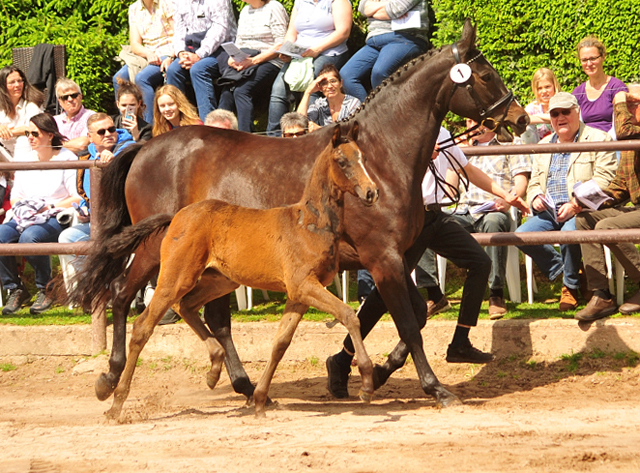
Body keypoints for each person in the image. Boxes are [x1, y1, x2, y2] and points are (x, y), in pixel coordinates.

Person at [326, 127, 530, 399]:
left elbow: (467, 169)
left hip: (435, 217)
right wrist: (422, 156)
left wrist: (505, 194)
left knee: (480, 262)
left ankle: (460, 342)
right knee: (386, 293)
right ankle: (343, 357)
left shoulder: (443, 133)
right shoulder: (404, 130)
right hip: (409, 222)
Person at [516, 92, 617, 311]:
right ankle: (568, 272)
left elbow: (605, 179)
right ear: (550, 118)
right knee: (518, 236)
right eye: (555, 114)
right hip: (549, 211)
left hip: (582, 209)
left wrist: (575, 204)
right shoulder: (543, 145)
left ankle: (569, 287)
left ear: (577, 112)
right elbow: (534, 182)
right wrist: (535, 197)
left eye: (565, 112)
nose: (560, 117)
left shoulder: (599, 138)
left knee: (570, 232)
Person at [443, 120, 531, 319]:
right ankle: (433, 292)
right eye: (468, 121)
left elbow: (521, 181)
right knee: (429, 222)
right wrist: (453, 156)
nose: (471, 124)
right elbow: (449, 190)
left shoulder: (510, 144)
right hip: (464, 210)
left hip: (494, 208)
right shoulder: (462, 148)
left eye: (475, 120)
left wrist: (509, 199)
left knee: (493, 222)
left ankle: (496, 293)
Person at [0, 113, 80, 315]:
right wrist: (29, 208)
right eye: (28, 133)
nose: (30, 137)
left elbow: (76, 197)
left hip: (56, 215)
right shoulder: (25, 159)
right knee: (1, 236)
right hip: (25, 215)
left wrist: (48, 208)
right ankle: (15, 288)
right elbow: (16, 197)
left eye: (35, 133)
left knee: (29, 238)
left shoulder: (67, 158)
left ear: (50, 135)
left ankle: (46, 287)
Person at [574, 84, 640, 322]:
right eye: (628, 106)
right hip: (637, 209)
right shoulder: (631, 140)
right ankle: (601, 294)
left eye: (635, 104)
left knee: (606, 228)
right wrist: (590, 201)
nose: (630, 110)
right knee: (584, 219)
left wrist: (620, 99)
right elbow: (621, 186)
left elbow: (623, 131)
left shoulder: (630, 134)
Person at [58, 114, 135, 283]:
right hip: (96, 222)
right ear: (90, 137)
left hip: (125, 221)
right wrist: (84, 209)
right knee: (67, 238)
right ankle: (95, 285)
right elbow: (86, 194)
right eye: (101, 131)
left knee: (107, 243)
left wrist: (116, 163)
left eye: (111, 129)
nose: (108, 134)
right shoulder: (86, 157)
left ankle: (112, 288)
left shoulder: (129, 149)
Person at [266, 0, 352, 135]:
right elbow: (291, 33)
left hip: (328, 51)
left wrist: (317, 49)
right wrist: (287, 49)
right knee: (278, 88)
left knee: (311, 83)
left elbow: (343, 32)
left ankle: (308, 134)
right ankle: (273, 137)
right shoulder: (300, 2)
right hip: (300, 54)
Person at [339, 0, 432, 103]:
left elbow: (395, 9)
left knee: (380, 72)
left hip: (404, 38)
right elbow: (362, 8)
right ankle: (368, 115)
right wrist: (386, 5)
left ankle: (387, 116)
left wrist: (374, 10)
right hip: (374, 40)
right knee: (346, 75)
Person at [217, 0, 288, 132]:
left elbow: (281, 43)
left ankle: (246, 138)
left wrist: (254, 61)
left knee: (241, 91)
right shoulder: (245, 11)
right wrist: (232, 59)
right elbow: (239, 42)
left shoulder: (274, 7)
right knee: (227, 90)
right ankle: (218, 134)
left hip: (270, 60)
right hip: (246, 60)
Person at [165, 0, 237, 122]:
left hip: (222, 48)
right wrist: (181, 52)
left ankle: (208, 125)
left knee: (198, 69)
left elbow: (220, 30)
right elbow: (179, 30)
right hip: (192, 49)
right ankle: (179, 124)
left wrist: (199, 55)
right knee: (173, 70)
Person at [112, 0, 175, 124]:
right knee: (119, 78)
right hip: (146, 54)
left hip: (167, 52)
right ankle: (127, 124)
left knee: (142, 78)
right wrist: (148, 54)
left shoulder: (167, 4)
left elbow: (179, 36)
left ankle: (149, 127)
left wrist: (171, 56)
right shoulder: (134, 8)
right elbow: (135, 44)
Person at [572, 35, 628, 135]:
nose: (589, 64)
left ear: (603, 57)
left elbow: (622, 124)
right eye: (584, 60)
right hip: (585, 143)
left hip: (612, 143)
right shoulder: (577, 93)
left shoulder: (616, 87)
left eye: (593, 58)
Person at [297, 64, 360, 131]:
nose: (329, 86)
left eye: (333, 81)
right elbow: (299, 123)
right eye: (324, 83)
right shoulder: (319, 104)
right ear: (320, 88)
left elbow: (352, 131)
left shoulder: (353, 103)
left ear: (341, 83)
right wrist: (308, 92)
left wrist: (321, 130)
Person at [0, 66, 44, 158]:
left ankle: (20, 171)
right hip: (5, 154)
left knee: (23, 140)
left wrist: (9, 132)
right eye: (12, 82)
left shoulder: (31, 106)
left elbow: (32, 129)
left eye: (19, 81)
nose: (17, 85)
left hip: (29, 155)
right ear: (3, 86)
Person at [53, 78, 95, 155]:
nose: (70, 99)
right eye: (64, 97)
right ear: (59, 102)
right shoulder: (54, 121)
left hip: (81, 164)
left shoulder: (91, 117)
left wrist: (55, 145)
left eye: (74, 95)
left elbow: (82, 145)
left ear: (81, 97)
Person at [525, 68, 560, 142]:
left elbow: (559, 118)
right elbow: (525, 120)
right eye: (539, 88)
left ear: (554, 86)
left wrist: (536, 117)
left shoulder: (561, 103)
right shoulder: (532, 107)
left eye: (547, 87)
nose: (544, 91)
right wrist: (549, 119)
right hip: (536, 149)